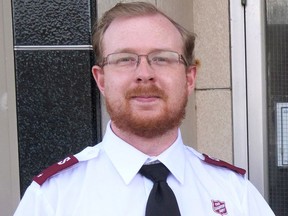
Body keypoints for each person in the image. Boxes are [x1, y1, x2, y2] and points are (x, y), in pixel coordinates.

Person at [14, 2, 275, 215]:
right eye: (125, 59)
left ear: (189, 78)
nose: (144, 74)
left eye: (161, 58)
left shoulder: (236, 195)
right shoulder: (52, 200)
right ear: (101, 79)